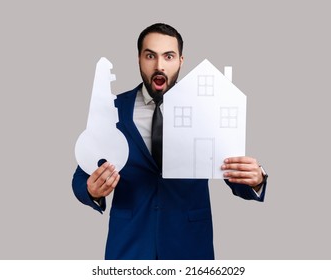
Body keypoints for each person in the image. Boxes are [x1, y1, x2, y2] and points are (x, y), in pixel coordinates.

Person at [72, 23, 267, 260]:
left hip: (189, 246)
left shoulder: (206, 109)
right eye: (150, 55)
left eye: (169, 56)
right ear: (138, 59)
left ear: (181, 61)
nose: (159, 65)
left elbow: (232, 173)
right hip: (129, 247)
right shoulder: (112, 108)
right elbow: (81, 176)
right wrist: (91, 190)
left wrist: (255, 180)